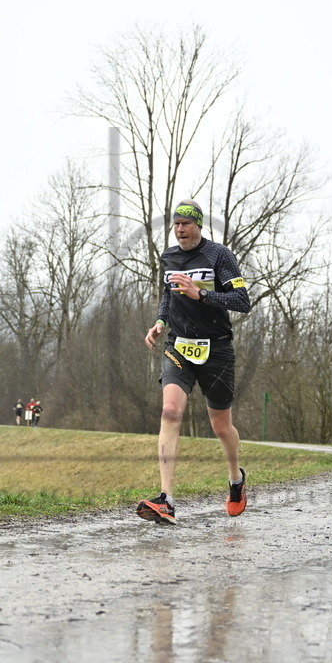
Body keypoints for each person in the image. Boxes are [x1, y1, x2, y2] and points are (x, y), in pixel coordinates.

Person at [137, 199, 252, 525]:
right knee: (170, 411)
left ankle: (235, 479)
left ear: (198, 225)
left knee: (220, 426)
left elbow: (242, 301)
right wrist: (160, 322)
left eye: (186, 224)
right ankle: (167, 500)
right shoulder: (169, 258)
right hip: (179, 346)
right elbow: (167, 295)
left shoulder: (219, 255)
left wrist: (201, 295)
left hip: (216, 349)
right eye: (175, 224)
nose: (180, 229)